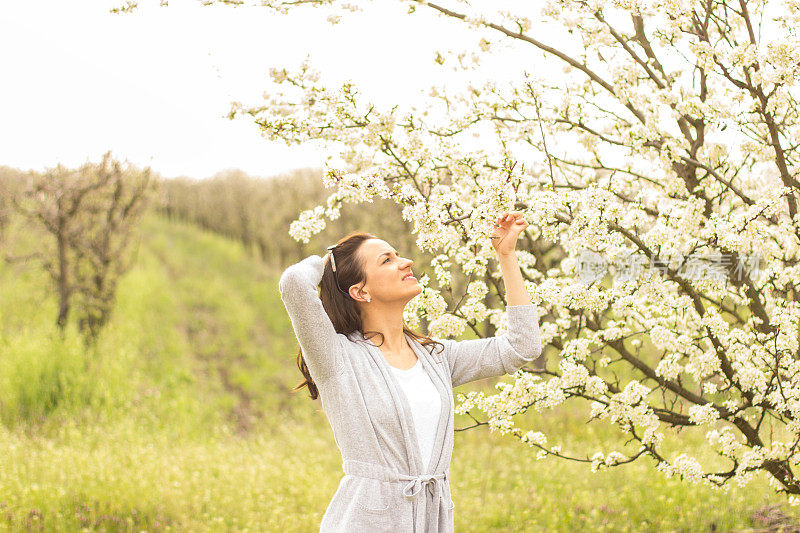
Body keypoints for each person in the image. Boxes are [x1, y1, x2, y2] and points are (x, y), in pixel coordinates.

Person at [278, 211, 543, 532]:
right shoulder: (337, 357)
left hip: (432, 518)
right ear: (360, 291)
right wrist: (330, 262)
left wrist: (506, 255)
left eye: (398, 255)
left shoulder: (436, 357)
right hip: (366, 521)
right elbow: (293, 283)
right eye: (386, 260)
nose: (405, 262)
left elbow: (521, 346)